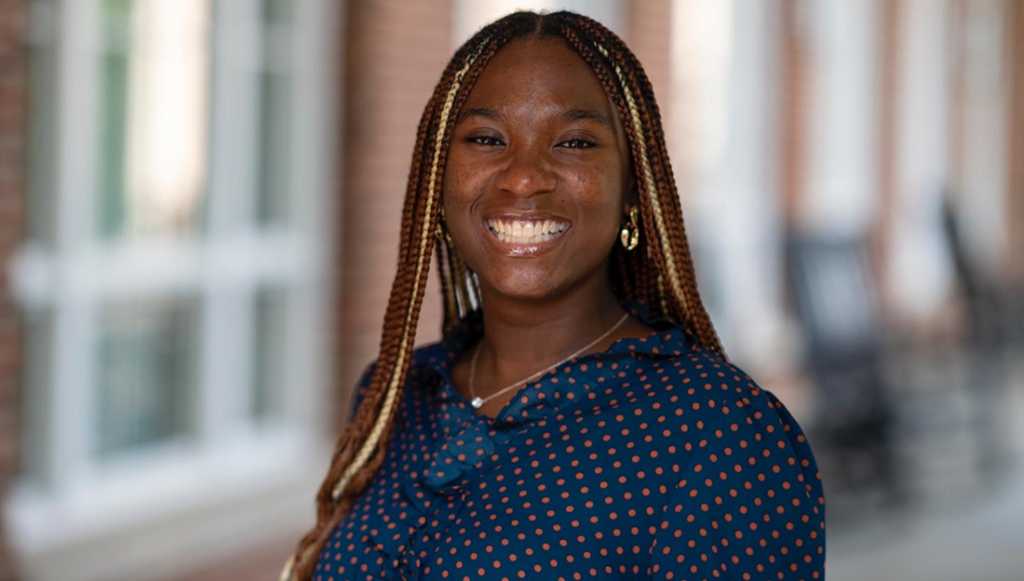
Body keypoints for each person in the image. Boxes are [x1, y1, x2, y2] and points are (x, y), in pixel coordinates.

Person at [280, 10, 825, 581]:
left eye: (575, 142)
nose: (523, 177)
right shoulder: (395, 395)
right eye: (487, 139)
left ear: (633, 189)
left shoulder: (721, 435)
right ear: (437, 179)